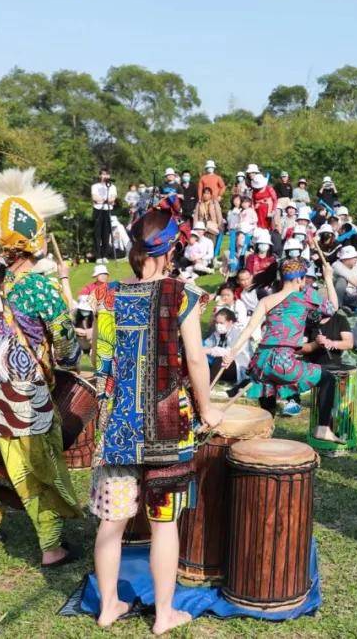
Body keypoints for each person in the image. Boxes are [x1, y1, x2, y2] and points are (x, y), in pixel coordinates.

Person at [90, 201, 224, 633]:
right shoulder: (181, 295)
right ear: (169, 250)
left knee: (114, 519)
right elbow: (197, 362)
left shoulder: (110, 295)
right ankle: (164, 615)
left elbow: (101, 358)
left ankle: (109, 605)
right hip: (169, 423)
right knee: (164, 523)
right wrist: (208, 409)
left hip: (119, 424)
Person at [0, 168, 82, 565]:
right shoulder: (41, 287)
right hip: (24, 397)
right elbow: (65, 343)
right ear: (36, 244)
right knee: (36, 469)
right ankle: (51, 548)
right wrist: (71, 359)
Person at [241, 257, 343, 442]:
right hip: (282, 361)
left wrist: (231, 353)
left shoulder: (268, 298)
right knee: (327, 378)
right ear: (298, 279)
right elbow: (333, 307)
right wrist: (328, 277)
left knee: (268, 387)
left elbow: (248, 329)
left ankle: (264, 433)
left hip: (260, 361)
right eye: (304, 279)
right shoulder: (305, 295)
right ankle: (323, 429)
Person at [91, 168, 117, 263]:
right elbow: (95, 198)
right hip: (98, 210)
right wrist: (105, 200)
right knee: (97, 234)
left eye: (106, 174)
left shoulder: (112, 187)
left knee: (106, 233)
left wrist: (104, 200)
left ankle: (105, 255)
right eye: (103, 174)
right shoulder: (95, 186)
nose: (105, 176)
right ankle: (98, 256)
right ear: (100, 176)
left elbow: (112, 199)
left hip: (108, 211)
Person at [332, 245, 357, 312]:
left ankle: (349, 306)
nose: (356, 259)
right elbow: (353, 281)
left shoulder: (356, 264)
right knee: (342, 280)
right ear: (345, 259)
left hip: (353, 295)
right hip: (340, 295)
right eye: (354, 257)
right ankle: (338, 306)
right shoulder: (337, 265)